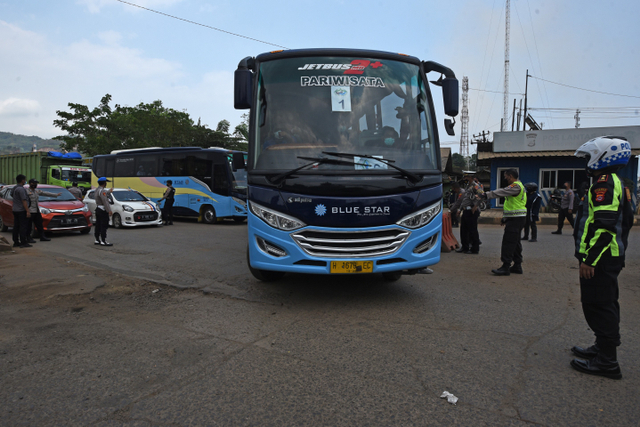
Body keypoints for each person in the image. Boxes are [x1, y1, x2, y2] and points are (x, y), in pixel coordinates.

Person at [570, 136, 633, 380]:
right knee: (603, 302)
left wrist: (590, 259)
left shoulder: (604, 185)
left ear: (602, 156)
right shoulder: (615, 182)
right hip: (607, 257)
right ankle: (601, 348)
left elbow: (605, 227)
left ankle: (607, 361)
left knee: (599, 305)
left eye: (588, 156)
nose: (587, 161)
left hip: (601, 258)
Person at [482, 169, 527, 276]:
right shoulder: (520, 186)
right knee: (515, 242)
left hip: (516, 219)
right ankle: (517, 265)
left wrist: (486, 195)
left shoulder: (515, 186)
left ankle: (506, 267)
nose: (505, 179)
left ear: (510, 176)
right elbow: (511, 205)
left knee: (508, 242)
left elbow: (501, 192)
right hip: (516, 217)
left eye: (506, 177)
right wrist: (505, 218)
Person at [450, 181, 483, 254]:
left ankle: (474, 249)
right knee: (463, 230)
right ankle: (465, 247)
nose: (465, 179)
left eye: (466, 177)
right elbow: (464, 201)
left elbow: (482, 194)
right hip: (466, 210)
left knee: (472, 231)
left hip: (472, 211)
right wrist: (460, 209)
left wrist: (476, 206)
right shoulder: (467, 187)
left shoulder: (475, 186)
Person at [11, 174, 32, 248]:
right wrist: (27, 211)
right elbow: (24, 201)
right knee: (23, 226)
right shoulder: (21, 189)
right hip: (21, 210)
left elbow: (11, 195)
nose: (25, 181)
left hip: (15, 209)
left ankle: (16, 241)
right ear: (22, 180)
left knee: (16, 226)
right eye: (24, 179)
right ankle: (23, 242)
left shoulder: (14, 188)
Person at [94, 177, 113, 246]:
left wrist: (108, 192)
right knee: (104, 225)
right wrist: (109, 210)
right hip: (102, 210)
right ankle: (103, 241)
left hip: (98, 209)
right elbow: (105, 201)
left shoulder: (97, 190)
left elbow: (102, 194)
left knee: (98, 225)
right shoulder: (102, 191)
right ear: (104, 183)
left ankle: (97, 239)